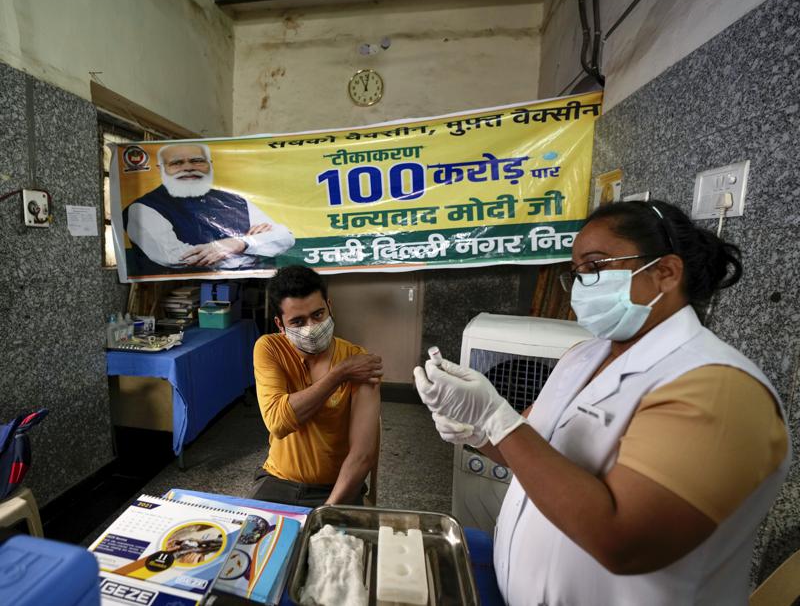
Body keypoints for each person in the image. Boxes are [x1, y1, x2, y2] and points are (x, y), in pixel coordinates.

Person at [414, 200, 790, 605]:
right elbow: (533, 451)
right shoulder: (584, 356)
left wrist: (496, 417)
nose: (581, 286)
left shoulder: (717, 388)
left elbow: (623, 541)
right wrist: (475, 430)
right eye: (576, 272)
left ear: (665, 272)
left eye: (595, 266)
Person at [251, 265, 383, 507]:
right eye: (298, 322)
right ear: (281, 325)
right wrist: (340, 374)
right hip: (279, 480)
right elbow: (278, 422)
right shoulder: (269, 348)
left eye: (318, 315)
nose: (311, 328)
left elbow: (362, 455)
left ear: (330, 307)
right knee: (254, 541)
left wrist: (327, 509)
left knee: (340, 544)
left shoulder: (358, 360)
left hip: (338, 486)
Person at [123, 143, 295, 274]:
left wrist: (239, 243)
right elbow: (179, 257)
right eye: (176, 163)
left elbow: (285, 237)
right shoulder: (143, 209)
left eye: (197, 161)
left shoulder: (235, 200)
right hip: (184, 295)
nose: (188, 167)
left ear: (210, 165)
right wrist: (256, 249)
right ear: (162, 169)